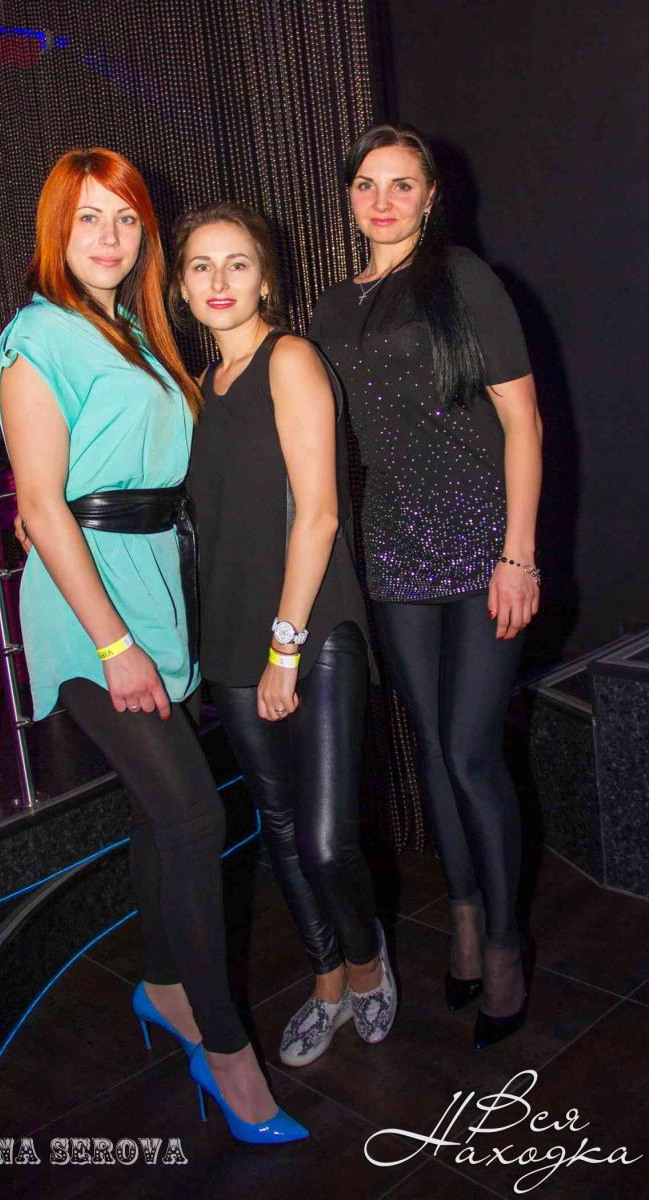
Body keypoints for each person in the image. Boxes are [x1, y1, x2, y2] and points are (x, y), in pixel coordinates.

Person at [0, 148, 307, 1144]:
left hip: (155, 585)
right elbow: (42, 507)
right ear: (57, 228)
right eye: (89, 217)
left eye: (126, 219)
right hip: (90, 608)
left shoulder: (133, 329)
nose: (109, 237)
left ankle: (164, 986)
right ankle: (226, 1052)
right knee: (193, 815)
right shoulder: (37, 335)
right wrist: (114, 643)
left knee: (155, 808)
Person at [308, 124, 542, 1050]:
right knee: (436, 754)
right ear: (350, 196)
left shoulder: (464, 280)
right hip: (394, 548)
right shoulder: (332, 307)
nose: (383, 200)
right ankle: (467, 916)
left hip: (482, 540)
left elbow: (523, 423)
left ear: (431, 196)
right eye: (368, 183)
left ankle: (509, 944)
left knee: (473, 752)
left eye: (402, 184)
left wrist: (519, 554)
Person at [171, 201, 397, 1067]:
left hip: (312, 627)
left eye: (237, 264)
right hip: (229, 636)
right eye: (201, 265)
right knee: (277, 827)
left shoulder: (291, 359)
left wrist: (286, 645)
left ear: (266, 279)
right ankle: (326, 978)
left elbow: (321, 514)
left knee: (326, 839)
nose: (219, 281)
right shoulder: (196, 390)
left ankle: (368, 961)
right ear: (181, 285)